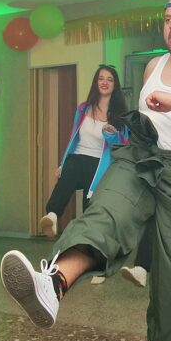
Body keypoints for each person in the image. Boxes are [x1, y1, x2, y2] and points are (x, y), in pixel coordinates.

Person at [0, 0, 171, 341]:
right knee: (106, 214)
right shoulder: (154, 66)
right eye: (168, 19)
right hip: (143, 158)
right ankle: (52, 286)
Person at [39, 65, 128, 239]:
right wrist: (62, 164)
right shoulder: (83, 108)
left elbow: (122, 145)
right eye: (101, 78)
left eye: (110, 80)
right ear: (96, 82)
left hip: (99, 164)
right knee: (70, 169)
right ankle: (52, 216)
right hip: (77, 158)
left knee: (90, 206)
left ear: (115, 85)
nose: (104, 82)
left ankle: (88, 240)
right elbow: (73, 138)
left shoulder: (120, 115)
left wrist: (111, 135)